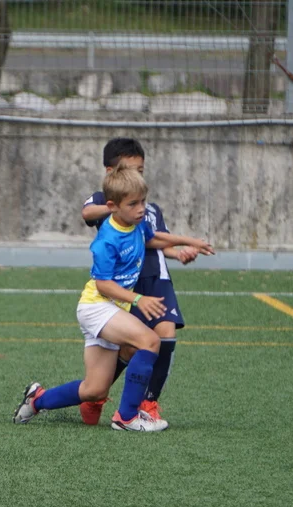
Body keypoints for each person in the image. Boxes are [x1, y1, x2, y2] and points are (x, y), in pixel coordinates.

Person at [14, 168, 212, 431]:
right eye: (133, 204)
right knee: (150, 341)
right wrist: (138, 299)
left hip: (109, 307)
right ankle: (127, 417)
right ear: (112, 206)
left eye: (143, 201)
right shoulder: (107, 240)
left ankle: (37, 400)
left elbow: (153, 238)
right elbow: (103, 284)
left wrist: (191, 241)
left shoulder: (135, 223)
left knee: (94, 389)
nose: (141, 209)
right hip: (97, 306)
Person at [78, 137, 200, 425]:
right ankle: (97, 396)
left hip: (157, 277)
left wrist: (179, 251)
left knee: (165, 335)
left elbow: (156, 240)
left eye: (140, 171)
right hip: (126, 283)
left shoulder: (150, 209)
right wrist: (118, 206)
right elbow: (87, 213)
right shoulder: (106, 200)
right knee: (129, 347)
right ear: (112, 172)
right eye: (129, 170)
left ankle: (148, 403)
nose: (136, 177)